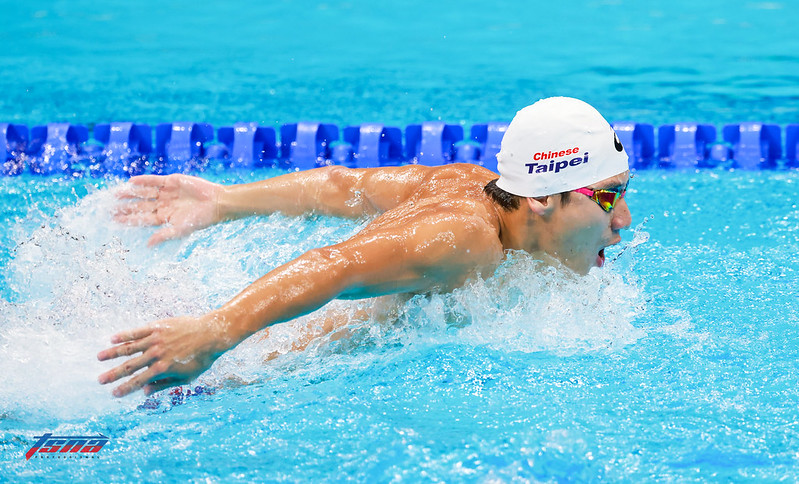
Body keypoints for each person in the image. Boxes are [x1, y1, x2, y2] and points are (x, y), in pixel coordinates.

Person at [98, 97, 633, 397]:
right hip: (248, 373)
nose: (624, 222)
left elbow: (342, 187)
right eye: (609, 197)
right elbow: (333, 265)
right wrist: (215, 331)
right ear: (541, 199)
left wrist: (223, 201)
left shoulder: (471, 182)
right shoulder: (464, 239)